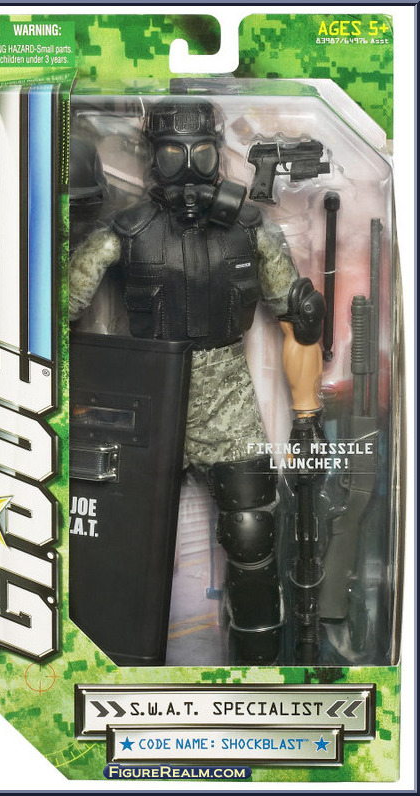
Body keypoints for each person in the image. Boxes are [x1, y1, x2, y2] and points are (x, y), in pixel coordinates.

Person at [69, 97, 325, 664]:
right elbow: (57, 308)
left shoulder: (249, 231)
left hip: (227, 397)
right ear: (152, 159)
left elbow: (301, 318)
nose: (188, 168)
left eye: (203, 154)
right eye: (172, 155)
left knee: (253, 536)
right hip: (152, 396)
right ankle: (111, 665)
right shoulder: (125, 232)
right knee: (122, 537)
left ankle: (258, 674)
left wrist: (307, 415)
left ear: (218, 157)